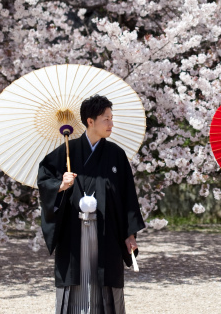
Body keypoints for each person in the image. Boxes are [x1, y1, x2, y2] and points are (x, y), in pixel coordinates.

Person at [37, 94, 145, 314]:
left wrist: (130, 235)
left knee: (105, 286)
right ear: (90, 121)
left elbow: (128, 198)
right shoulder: (67, 152)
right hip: (73, 233)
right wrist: (61, 184)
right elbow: (44, 180)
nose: (111, 124)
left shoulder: (116, 155)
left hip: (108, 233)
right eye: (106, 119)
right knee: (76, 285)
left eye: (111, 119)